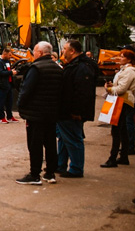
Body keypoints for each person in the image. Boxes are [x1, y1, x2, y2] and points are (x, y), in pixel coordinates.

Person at [14, 42, 63, 185]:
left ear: (40, 53)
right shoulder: (58, 68)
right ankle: (50, 173)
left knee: (35, 144)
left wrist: (21, 106)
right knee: (50, 143)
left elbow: (26, 90)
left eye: (34, 51)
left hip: (35, 113)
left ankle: (34, 174)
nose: (33, 54)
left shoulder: (36, 68)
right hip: (51, 113)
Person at [55, 40, 98, 179]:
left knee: (73, 139)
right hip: (65, 111)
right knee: (63, 139)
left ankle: (76, 168)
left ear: (72, 51)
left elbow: (82, 92)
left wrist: (77, 112)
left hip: (71, 112)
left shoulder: (81, 67)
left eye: (65, 49)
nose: (63, 51)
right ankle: (60, 165)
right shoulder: (76, 66)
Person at [101, 50, 135, 168]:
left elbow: (122, 89)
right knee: (122, 130)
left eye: (122, 57)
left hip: (122, 100)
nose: (120, 58)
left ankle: (113, 158)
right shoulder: (127, 70)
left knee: (116, 129)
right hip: (123, 100)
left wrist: (109, 89)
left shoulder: (129, 71)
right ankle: (123, 156)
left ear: (129, 59)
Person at [0, 51, 17, 123]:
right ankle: (1, 117)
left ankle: (10, 116)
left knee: (10, 101)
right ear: (4, 54)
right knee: (1, 101)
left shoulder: (7, 61)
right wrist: (11, 72)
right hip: (2, 84)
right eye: (9, 55)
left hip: (8, 84)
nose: (10, 56)